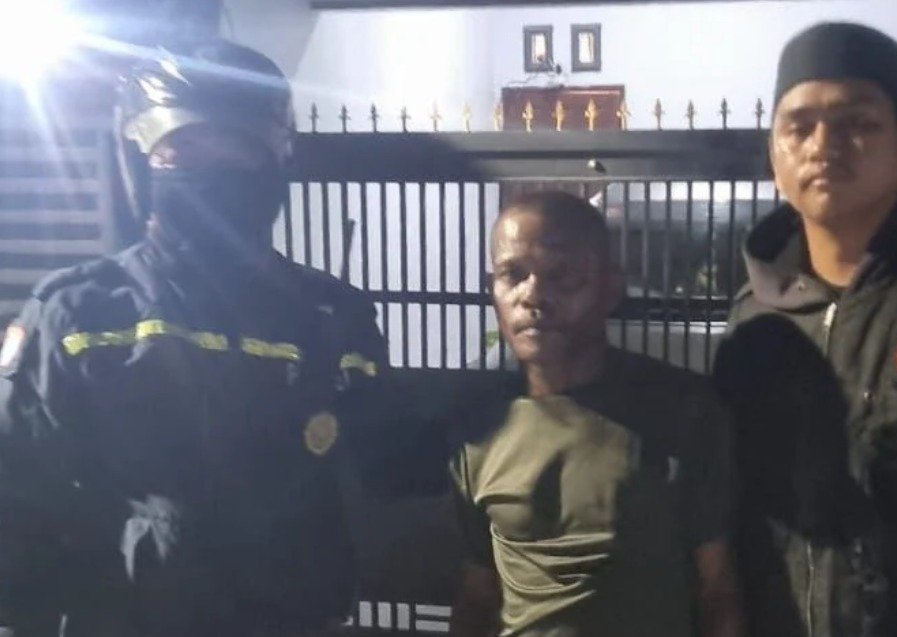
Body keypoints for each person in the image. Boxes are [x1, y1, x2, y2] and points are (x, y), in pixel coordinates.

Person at [0, 40, 388, 636]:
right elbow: (16, 489)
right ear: (138, 160)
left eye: (238, 148)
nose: (215, 167)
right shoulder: (77, 313)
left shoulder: (330, 315)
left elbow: (382, 471)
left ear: (275, 161)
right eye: (184, 147)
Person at [713, 22, 897, 637]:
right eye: (799, 126)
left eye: (856, 123)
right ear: (774, 153)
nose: (823, 145)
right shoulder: (753, 320)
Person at [449, 191, 744, 637]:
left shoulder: (681, 412)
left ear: (610, 288)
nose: (534, 295)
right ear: (493, 289)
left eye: (562, 275)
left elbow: (718, 592)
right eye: (514, 274)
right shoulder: (479, 428)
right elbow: (478, 594)